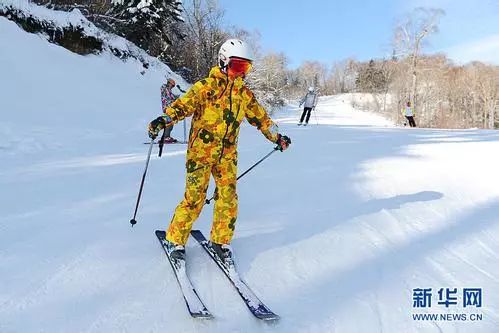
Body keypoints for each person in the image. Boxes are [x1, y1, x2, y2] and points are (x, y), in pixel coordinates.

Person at [147, 39, 291, 263]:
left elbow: (262, 119)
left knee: (228, 198)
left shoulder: (244, 95)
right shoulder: (206, 87)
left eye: (246, 68)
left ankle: (220, 240)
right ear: (223, 62)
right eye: (237, 66)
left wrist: (277, 136)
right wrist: (164, 119)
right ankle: (175, 239)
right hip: (200, 153)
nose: (241, 73)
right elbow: (183, 105)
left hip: (227, 156)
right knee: (194, 198)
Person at [159, 78, 180, 143]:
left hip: (170, 108)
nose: (172, 87)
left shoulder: (168, 90)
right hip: (167, 108)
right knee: (169, 122)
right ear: (169, 83)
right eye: (172, 85)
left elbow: (171, 97)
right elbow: (170, 97)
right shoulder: (164, 88)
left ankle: (167, 136)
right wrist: (175, 98)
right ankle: (165, 137)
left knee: (171, 122)